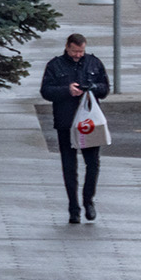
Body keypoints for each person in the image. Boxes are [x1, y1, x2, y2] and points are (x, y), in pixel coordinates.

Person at [40, 33, 111, 224]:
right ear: (67, 47)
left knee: (93, 163)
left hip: (89, 123)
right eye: (75, 51)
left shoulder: (93, 63)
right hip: (66, 122)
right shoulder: (55, 65)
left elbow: (105, 88)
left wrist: (92, 87)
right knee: (69, 165)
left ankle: (88, 201)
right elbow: (46, 91)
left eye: (81, 51)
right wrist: (67, 90)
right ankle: (73, 207)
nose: (78, 54)